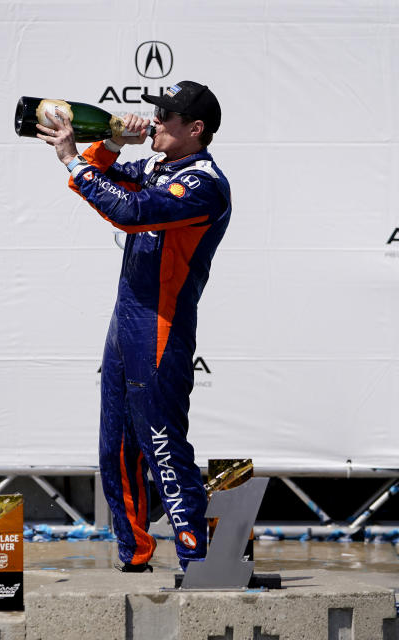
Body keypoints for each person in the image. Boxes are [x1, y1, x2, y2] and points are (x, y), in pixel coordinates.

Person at [36, 81, 231, 572]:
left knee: (162, 447)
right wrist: (111, 141)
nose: (156, 122)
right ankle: (134, 553)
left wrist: (69, 158)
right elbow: (103, 177)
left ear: (195, 129)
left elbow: (128, 211)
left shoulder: (205, 183)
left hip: (162, 326)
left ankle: (198, 562)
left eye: (166, 117)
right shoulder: (155, 165)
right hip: (127, 321)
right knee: (115, 447)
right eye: (156, 113)